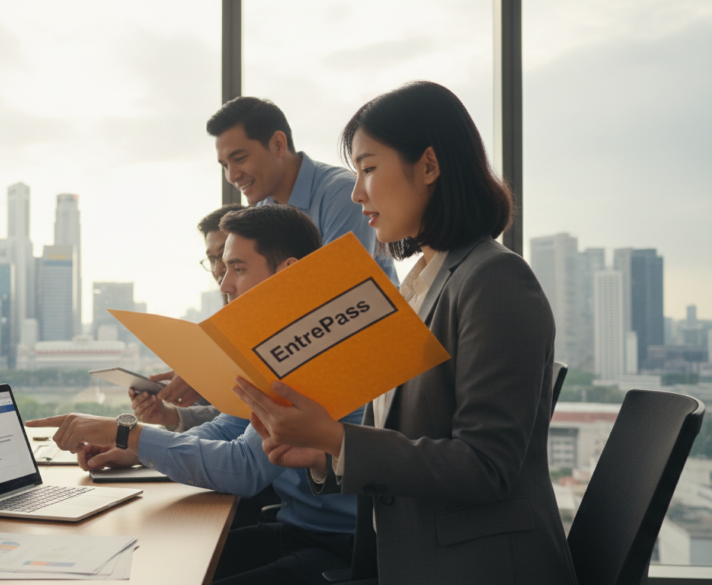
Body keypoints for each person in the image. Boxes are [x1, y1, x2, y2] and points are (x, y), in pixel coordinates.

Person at [233, 81, 577, 584]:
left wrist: (338, 436)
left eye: (369, 169)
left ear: (430, 166)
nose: (356, 193)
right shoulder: (423, 287)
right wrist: (329, 454)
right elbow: (413, 443)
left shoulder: (496, 280)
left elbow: (487, 466)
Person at [26, 205, 364, 585]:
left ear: (287, 272)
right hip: (297, 531)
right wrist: (138, 449)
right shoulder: (271, 347)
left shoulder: (313, 351)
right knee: (144, 564)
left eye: (238, 268)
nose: (225, 285)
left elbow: (244, 468)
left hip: (342, 549)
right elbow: (225, 430)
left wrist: (127, 433)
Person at [207, 96, 397, 283]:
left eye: (240, 159)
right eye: (225, 165)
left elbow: (339, 289)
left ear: (278, 144)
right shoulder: (262, 210)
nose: (232, 176)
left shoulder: (342, 194)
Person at [131, 204, 241, 432]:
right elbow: (225, 419)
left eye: (227, 257)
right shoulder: (221, 327)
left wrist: (141, 443)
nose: (219, 269)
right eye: (212, 259)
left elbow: (242, 423)